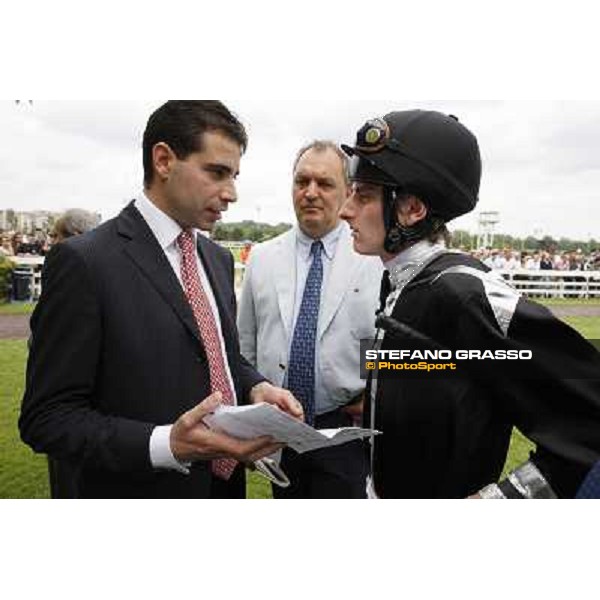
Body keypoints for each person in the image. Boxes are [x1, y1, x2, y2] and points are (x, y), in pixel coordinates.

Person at [20, 100, 302, 499]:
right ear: (164, 160)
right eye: (217, 172)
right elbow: (47, 419)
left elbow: (218, 356)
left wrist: (256, 387)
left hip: (225, 487)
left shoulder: (217, 259)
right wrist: (167, 444)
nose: (232, 193)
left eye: (235, 175)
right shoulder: (85, 262)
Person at [339, 109, 600, 499]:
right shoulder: (398, 281)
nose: (345, 210)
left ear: (412, 209)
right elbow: (456, 371)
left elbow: (589, 416)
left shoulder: (464, 293)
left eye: (363, 196)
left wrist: (502, 499)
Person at [238, 140, 382, 498]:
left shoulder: (374, 259)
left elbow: (379, 334)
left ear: (348, 191)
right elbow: (245, 345)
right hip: (278, 429)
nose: (311, 193)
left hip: (346, 430)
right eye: (302, 182)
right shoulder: (262, 257)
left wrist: (375, 389)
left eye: (325, 183)